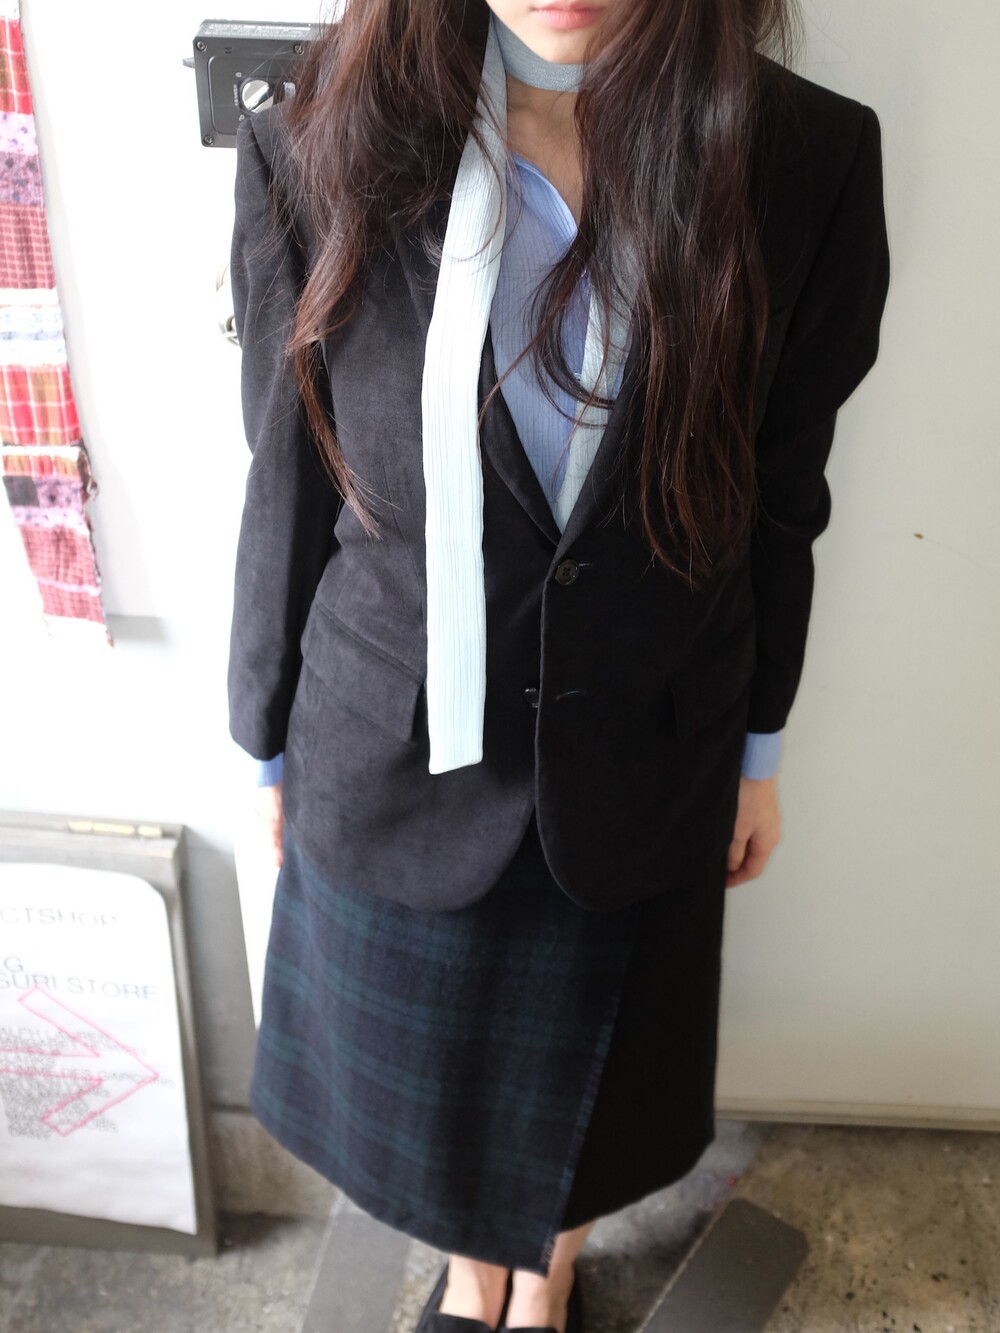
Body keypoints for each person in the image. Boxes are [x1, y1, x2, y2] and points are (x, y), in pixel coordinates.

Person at [227, 1, 890, 1329]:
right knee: (435, 1086)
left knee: (592, 1082)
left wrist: (760, 750)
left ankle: (547, 1279)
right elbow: (289, 474)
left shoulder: (804, 159)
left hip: (649, 733)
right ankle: (477, 1279)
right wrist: (266, 738)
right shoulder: (321, 143)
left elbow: (781, 494)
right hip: (399, 735)